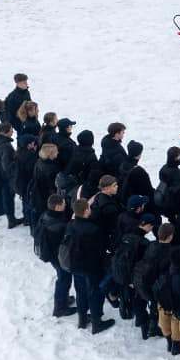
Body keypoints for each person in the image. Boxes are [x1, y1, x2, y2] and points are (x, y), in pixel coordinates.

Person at [62, 198, 114, 334]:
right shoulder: (93, 229)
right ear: (86, 211)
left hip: (75, 265)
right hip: (91, 267)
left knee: (80, 292)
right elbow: (101, 248)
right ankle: (97, 322)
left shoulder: (71, 225)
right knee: (94, 293)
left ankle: (82, 319)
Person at [32, 192, 76, 318]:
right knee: (64, 279)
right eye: (63, 204)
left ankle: (64, 299)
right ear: (57, 207)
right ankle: (60, 308)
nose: (65, 205)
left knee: (62, 278)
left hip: (50, 254)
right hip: (57, 257)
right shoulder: (58, 226)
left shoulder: (45, 215)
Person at [0, 121, 21, 228]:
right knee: (8, 197)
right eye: (11, 130)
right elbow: (7, 166)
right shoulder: (6, 146)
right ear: (6, 132)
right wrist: (16, 161)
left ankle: (10, 218)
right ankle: (11, 220)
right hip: (5, 177)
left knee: (5, 197)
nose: (13, 131)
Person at [30, 141, 61, 227]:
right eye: (56, 151)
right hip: (46, 194)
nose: (58, 152)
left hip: (39, 192)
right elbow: (53, 184)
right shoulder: (51, 168)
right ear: (50, 154)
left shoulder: (40, 161)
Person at [119, 140, 152, 206]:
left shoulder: (122, 165)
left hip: (125, 199)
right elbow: (147, 190)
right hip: (136, 203)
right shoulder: (138, 171)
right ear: (138, 155)